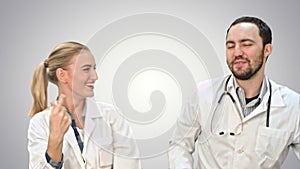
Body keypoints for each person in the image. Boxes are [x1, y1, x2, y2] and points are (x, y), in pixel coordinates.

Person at [168, 16, 300, 169]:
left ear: (267, 50)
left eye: (246, 44)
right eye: (230, 46)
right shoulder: (204, 94)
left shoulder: (293, 105)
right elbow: (179, 144)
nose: (237, 52)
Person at [27, 41, 141, 169]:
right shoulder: (40, 123)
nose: (95, 76)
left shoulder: (112, 117)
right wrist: (55, 140)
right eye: (86, 69)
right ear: (62, 75)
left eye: (94, 69)